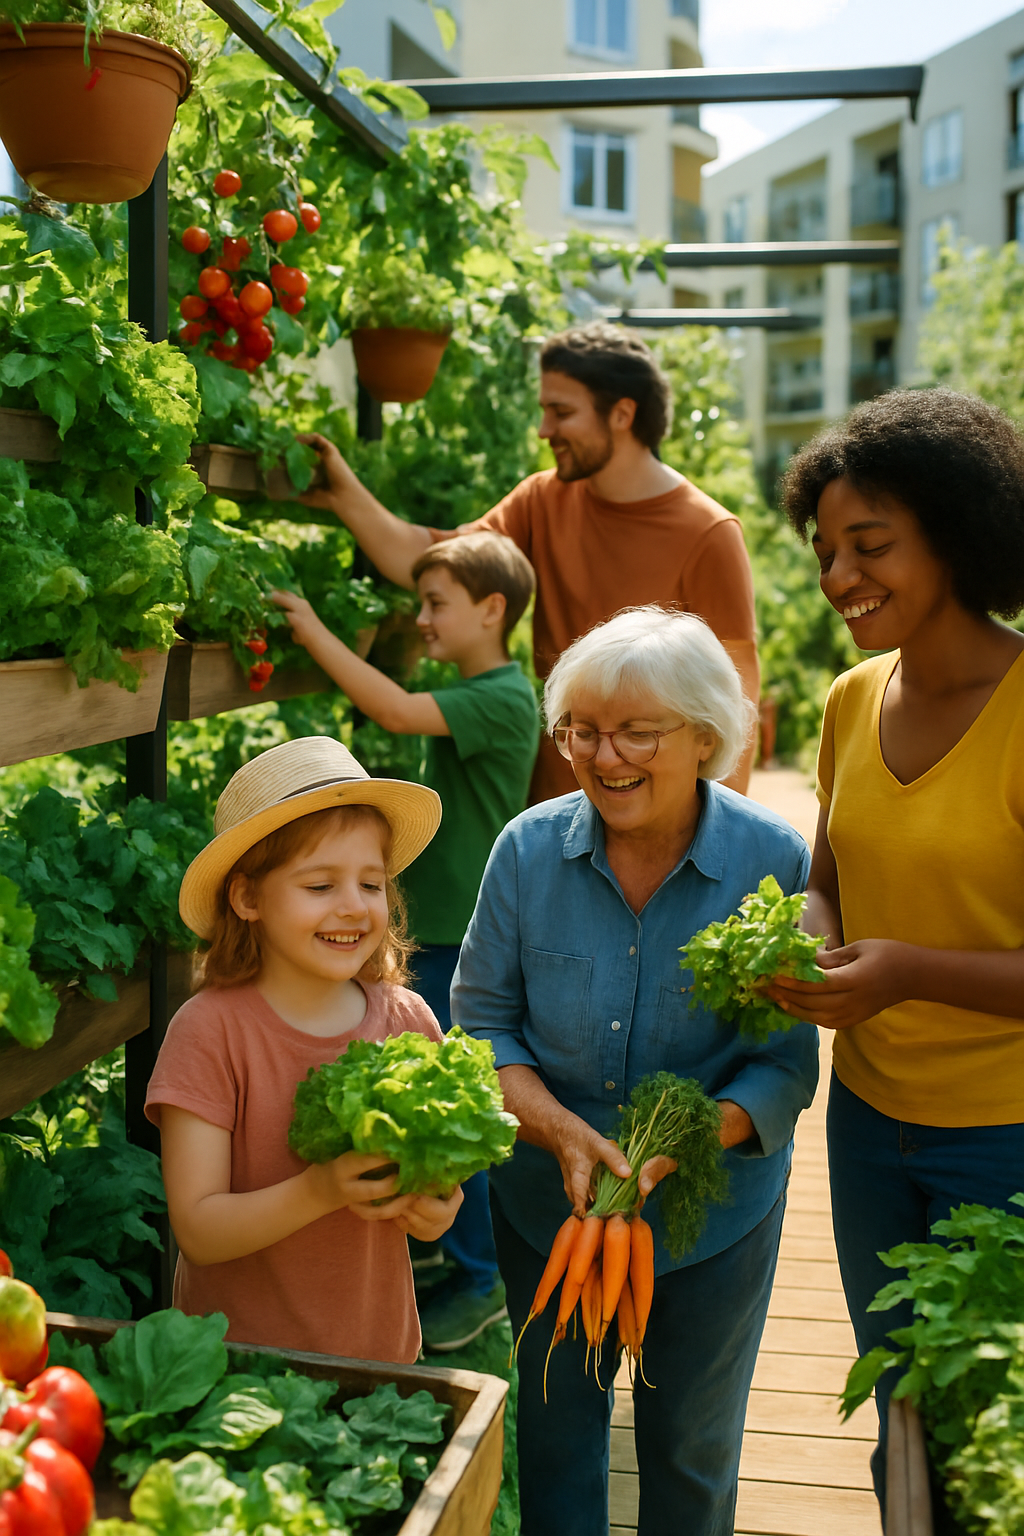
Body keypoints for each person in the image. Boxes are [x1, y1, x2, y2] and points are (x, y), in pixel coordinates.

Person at [451, 607, 819, 1536]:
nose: (602, 753)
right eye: (581, 728)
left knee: (691, 1457)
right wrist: (559, 1130)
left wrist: (692, 1138)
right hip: (549, 1212)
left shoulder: (770, 860)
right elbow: (484, 1025)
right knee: (557, 1443)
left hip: (712, 1224)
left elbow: (782, 1066)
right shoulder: (526, 852)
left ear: (705, 738)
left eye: (636, 731)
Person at [767, 388, 1024, 1513]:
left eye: (868, 546)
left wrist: (907, 971)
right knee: (905, 1425)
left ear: (959, 534)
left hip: (1005, 1140)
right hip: (869, 1126)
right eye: (824, 552)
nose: (836, 578)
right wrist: (814, 944)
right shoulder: (847, 698)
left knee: (994, 1438)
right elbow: (826, 883)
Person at [295, 321, 761, 803]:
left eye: (561, 413)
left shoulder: (709, 533)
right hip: (559, 800)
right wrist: (344, 494)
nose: (544, 431)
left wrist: (723, 829)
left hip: (659, 804)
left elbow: (736, 694)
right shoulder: (542, 499)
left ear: (622, 414)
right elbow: (431, 560)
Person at [271, 533, 540, 1350]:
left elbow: (389, 709)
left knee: (459, 1104)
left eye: (437, 605)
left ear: (492, 611)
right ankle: (450, 1247)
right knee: (437, 1097)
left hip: (470, 934)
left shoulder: (501, 696)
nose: (421, 619)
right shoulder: (469, 686)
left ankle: (482, 1276)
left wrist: (312, 629)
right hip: (450, 927)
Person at [145, 735, 464, 1362]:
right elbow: (199, 1228)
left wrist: (437, 1207)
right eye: (320, 886)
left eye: (371, 884)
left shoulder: (405, 1019)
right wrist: (321, 1190)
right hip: (238, 1370)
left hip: (381, 1355)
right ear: (248, 898)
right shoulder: (209, 1032)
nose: (353, 906)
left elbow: (439, 1179)